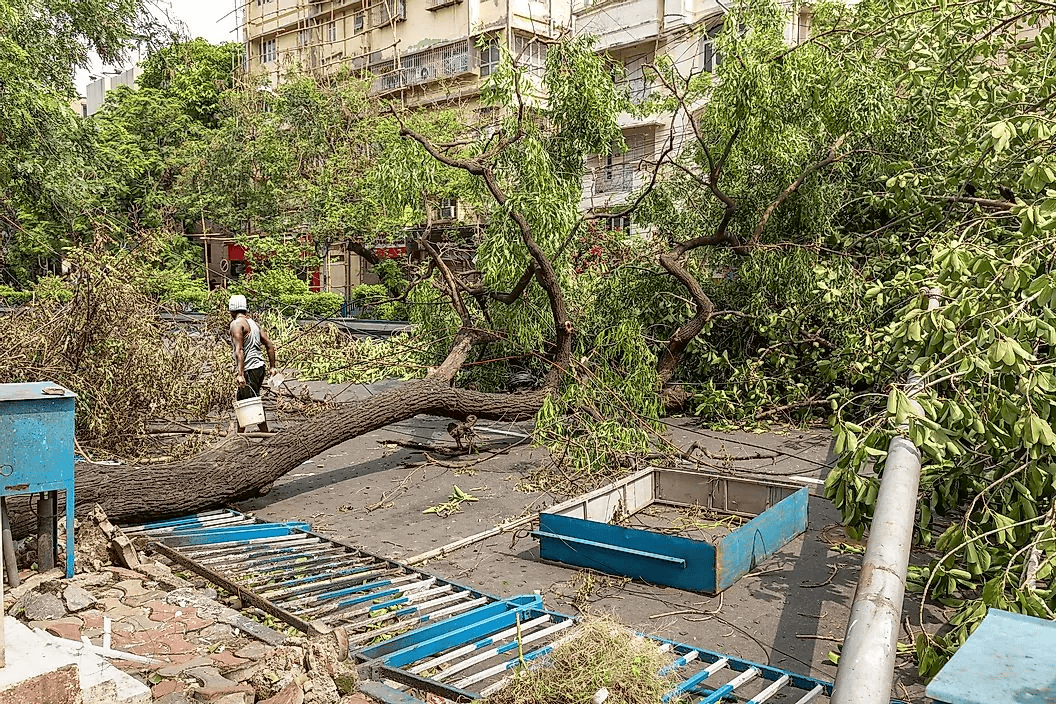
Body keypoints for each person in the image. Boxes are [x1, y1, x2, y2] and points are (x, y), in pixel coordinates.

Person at [228, 294, 277, 432]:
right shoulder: (254, 324)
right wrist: (272, 367)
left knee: (252, 402)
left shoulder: (237, 324)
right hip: (259, 368)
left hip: (249, 369)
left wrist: (240, 374)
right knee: (242, 400)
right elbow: (269, 344)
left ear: (232, 310)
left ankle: (266, 435)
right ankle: (239, 436)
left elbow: (239, 350)